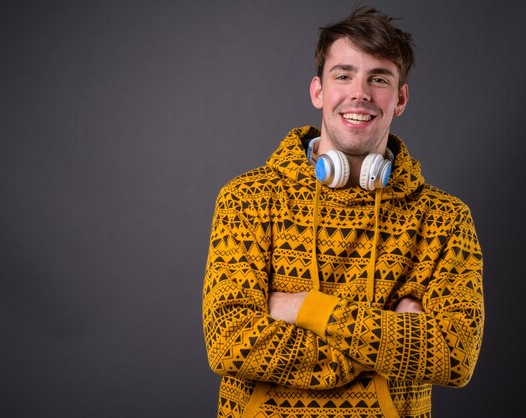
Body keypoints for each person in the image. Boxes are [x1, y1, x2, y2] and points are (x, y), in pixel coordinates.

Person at [202, 6, 484, 418]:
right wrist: (393, 341)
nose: (361, 93)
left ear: (400, 98)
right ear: (318, 91)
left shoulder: (443, 219)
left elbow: (455, 357)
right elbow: (229, 341)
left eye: (379, 79)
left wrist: (302, 309)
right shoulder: (247, 199)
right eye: (343, 75)